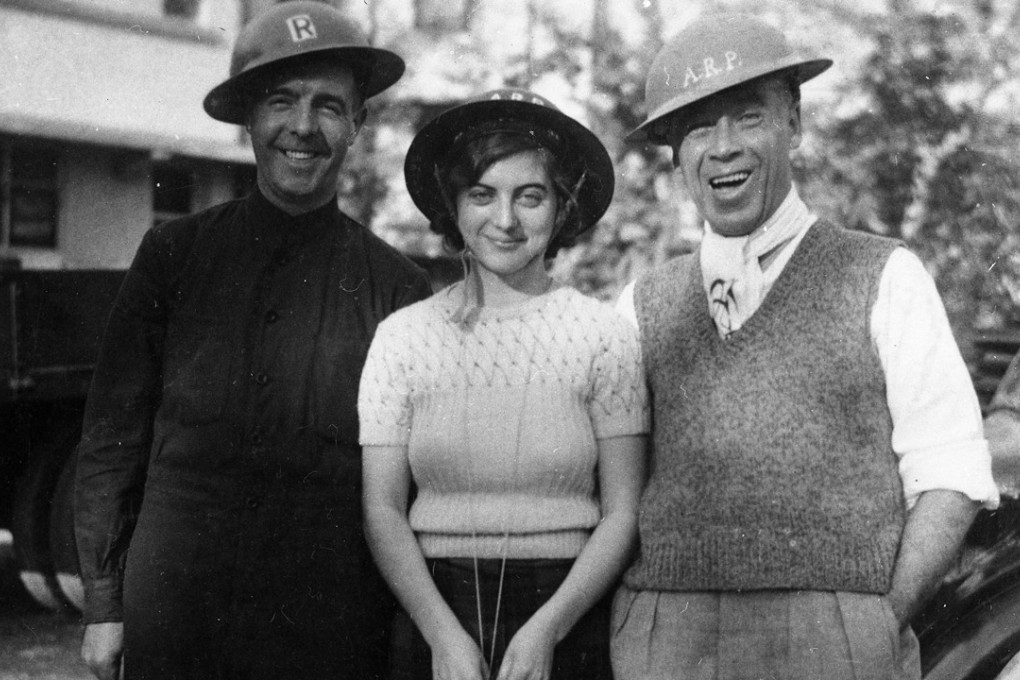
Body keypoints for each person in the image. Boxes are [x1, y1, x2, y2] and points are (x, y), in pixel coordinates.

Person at [611, 13, 999, 680]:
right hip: (667, 641)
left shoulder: (882, 274)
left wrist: (877, 619)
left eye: (747, 117)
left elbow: (952, 473)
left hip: (836, 641)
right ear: (675, 153)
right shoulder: (642, 304)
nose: (723, 146)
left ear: (793, 123)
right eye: (699, 127)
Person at [74, 3, 431, 679]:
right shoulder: (173, 255)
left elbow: (406, 486)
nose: (303, 127)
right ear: (248, 120)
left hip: (328, 613)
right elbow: (112, 436)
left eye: (329, 105)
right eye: (280, 101)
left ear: (358, 124)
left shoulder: (397, 287)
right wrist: (103, 605)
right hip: (179, 600)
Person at [359, 89, 649, 680]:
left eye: (531, 196)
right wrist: (442, 637)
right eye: (482, 194)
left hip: (567, 613)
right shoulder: (402, 338)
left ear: (562, 205)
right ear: (454, 205)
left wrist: (549, 629)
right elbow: (382, 508)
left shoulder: (603, 337)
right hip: (433, 613)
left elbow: (624, 512)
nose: (506, 220)